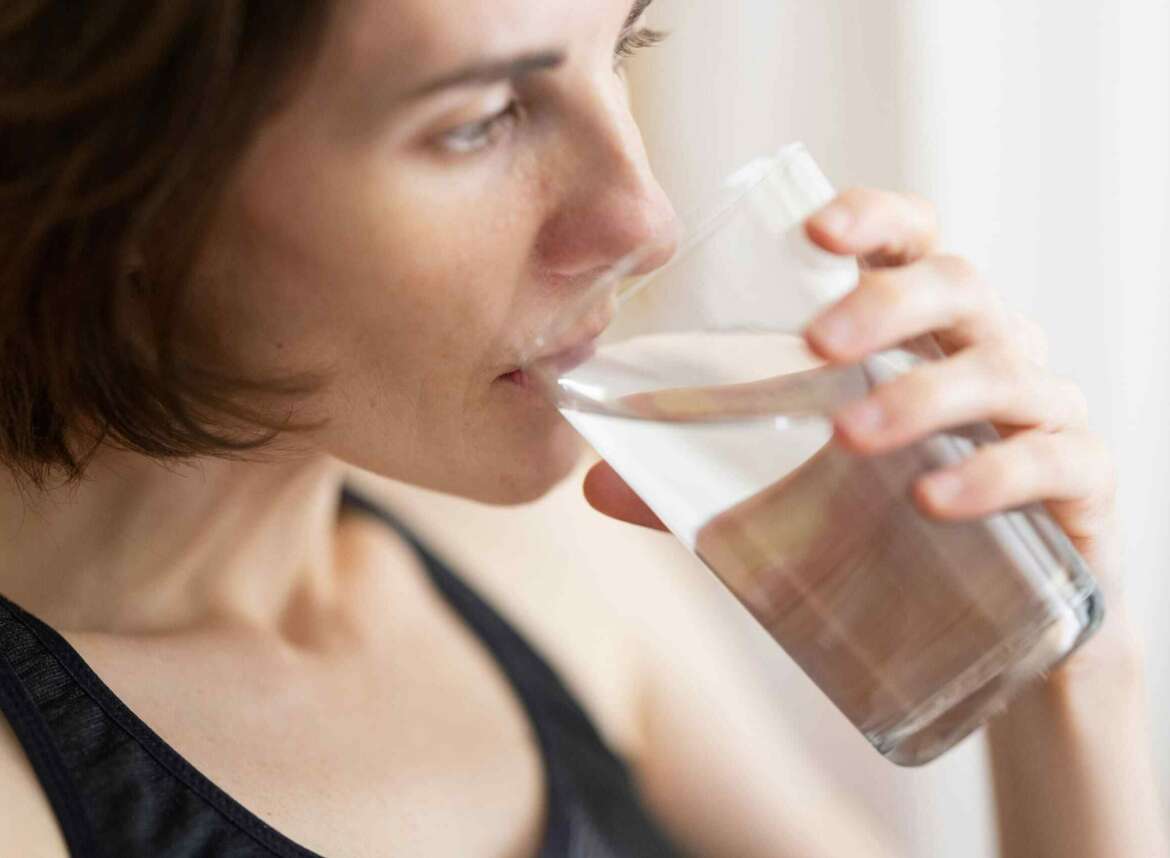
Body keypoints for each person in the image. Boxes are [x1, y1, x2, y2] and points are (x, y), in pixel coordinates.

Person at [0, 2, 1166, 856]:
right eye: (481, 119)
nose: (644, 217)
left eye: (625, 46)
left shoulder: (540, 558)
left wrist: (1067, 666)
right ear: (123, 179)